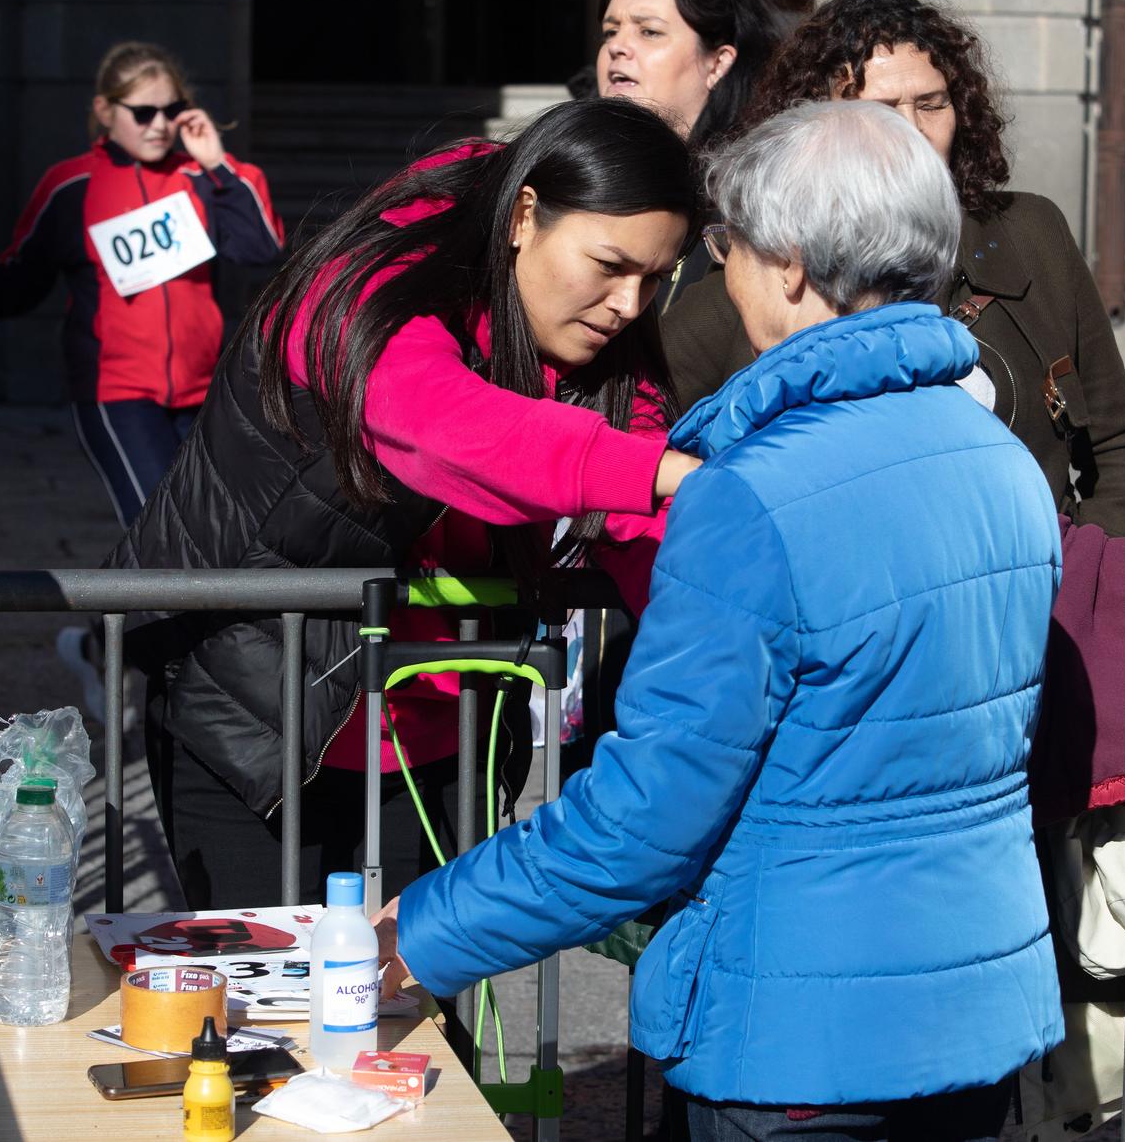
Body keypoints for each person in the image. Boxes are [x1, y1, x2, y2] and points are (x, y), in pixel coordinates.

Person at [377, 101, 1063, 1140]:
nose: (712, 276)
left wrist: (424, 928)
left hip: (796, 1032)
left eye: (723, 249)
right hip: (974, 1010)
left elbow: (643, 818)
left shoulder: (746, 496)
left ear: (786, 264)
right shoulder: (998, 460)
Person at [111, 97, 701, 909]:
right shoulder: (374, 273)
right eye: (609, 266)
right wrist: (666, 472)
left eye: (655, 277)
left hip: (444, 736)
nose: (631, 306)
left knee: (419, 1026)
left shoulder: (598, 322)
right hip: (255, 722)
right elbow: (445, 429)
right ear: (524, 213)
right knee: (264, 1018)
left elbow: (650, 531)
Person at [660, 0, 1125, 538]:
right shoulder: (756, 273)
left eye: (932, 104)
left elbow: (1117, 444)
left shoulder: (1031, 233)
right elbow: (648, 452)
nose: (912, 132)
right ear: (817, 127)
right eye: (880, 110)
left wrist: (1094, 579)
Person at [0, 41, 284, 528]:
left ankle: (151, 607)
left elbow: (260, 248)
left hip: (200, 389)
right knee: (159, 526)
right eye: (143, 111)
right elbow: (25, 271)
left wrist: (217, 162)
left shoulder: (200, 180)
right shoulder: (72, 185)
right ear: (105, 111)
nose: (158, 125)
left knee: (210, 529)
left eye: (170, 110)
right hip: (116, 391)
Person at [594, 0, 786, 308]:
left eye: (649, 31)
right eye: (610, 31)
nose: (618, 46)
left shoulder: (754, 202)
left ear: (718, 62)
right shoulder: (574, 176)